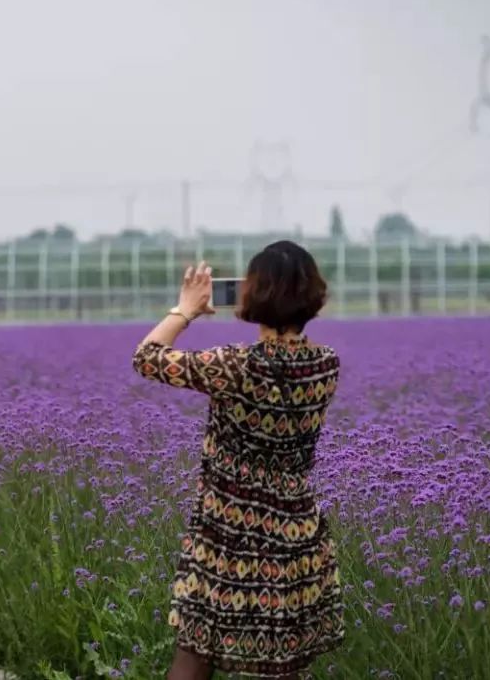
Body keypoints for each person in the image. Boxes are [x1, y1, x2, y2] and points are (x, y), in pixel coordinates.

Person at [131, 241, 344, 680]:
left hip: (227, 534)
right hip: (294, 533)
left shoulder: (234, 366)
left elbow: (147, 357)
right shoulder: (326, 364)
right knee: (285, 661)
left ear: (257, 294)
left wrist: (185, 309)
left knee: (195, 653)